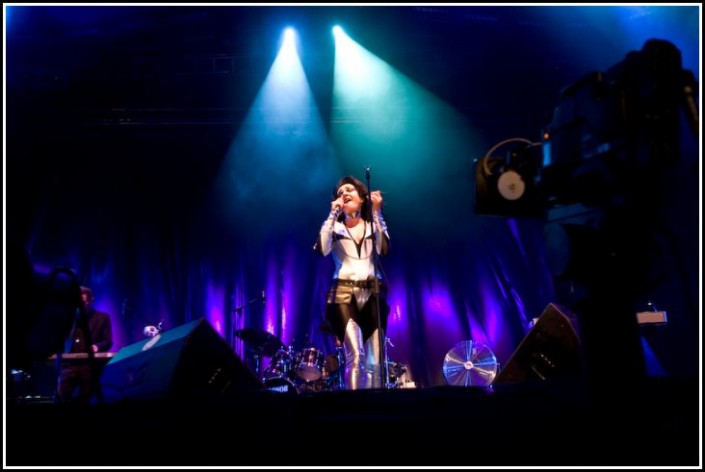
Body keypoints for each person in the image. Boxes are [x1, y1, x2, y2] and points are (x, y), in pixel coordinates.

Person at [315, 175, 390, 390]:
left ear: (363, 197)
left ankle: (375, 413)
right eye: (340, 193)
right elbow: (322, 248)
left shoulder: (372, 226)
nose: (344, 194)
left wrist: (377, 212)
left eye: (349, 190)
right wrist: (332, 214)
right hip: (343, 294)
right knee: (356, 355)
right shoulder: (335, 228)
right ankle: (354, 408)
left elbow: (383, 250)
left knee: (375, 362)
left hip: (372, 294)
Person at [56, 286, 113, 404]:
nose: (81, 305)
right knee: (61, 397)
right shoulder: (69, 319)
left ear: (91, 301)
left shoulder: (102, 318)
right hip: (69, 365)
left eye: (84, 302)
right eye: (78, 302)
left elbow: (108, 341)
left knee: (87, 399)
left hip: (89, 366)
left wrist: (97, 346)